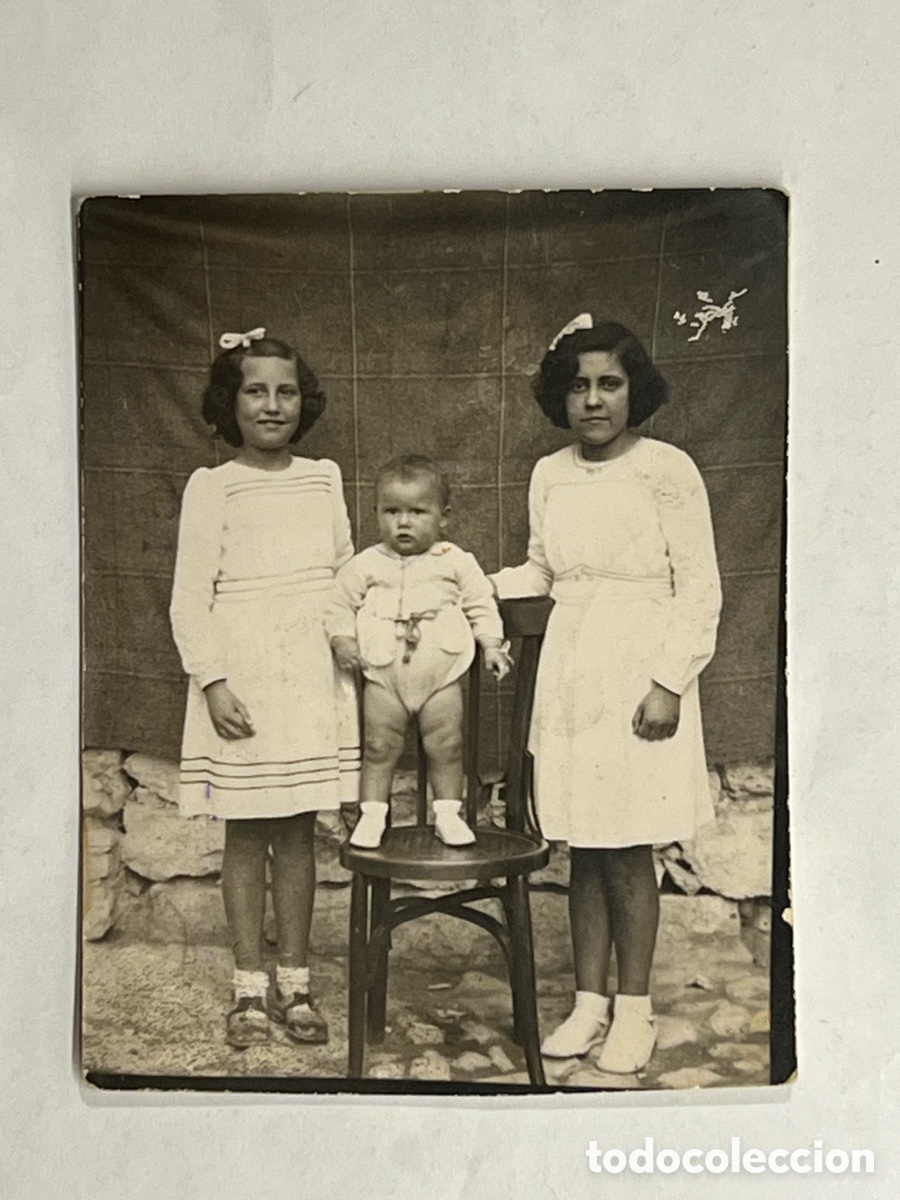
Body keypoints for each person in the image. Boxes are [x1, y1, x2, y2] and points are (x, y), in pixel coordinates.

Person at [492, 314, 721, 1074]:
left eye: (609, 384)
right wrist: (462, 585)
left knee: (627, 851)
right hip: (572, 671)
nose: (593, 400)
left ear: (634, 391)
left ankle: (635, 1010)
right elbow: (540, 575)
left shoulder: (668, 469)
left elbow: (701, 590)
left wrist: (668, 681)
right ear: (561, 396)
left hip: (640, 672)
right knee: (585, 848)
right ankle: (589, 1003)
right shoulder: (549, 474)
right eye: (579, 385)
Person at [169, 327, 359, 1050]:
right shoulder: (212, 486)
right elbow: (190, 597)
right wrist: (213, 682)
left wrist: (354, 641)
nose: (272, 405)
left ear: (301, 402)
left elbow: (344, 574)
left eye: (285, 391)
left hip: (309, 674)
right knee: (246, 834)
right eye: (255, 391)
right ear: (231, 401)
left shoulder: (324, 476)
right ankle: (249, 988)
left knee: (299, 832)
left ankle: (297, 983)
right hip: (243, 674)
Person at [325, 455, 512, 849]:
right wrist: (343, 640)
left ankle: (448, 814)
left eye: (417, 511)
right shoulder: (365, 565)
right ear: (376, 513)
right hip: (382, 675)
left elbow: (480, 602)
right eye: (391, 511)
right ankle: (372, 815)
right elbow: (338, 605)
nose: (403, 522)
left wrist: (491, 644)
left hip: (440, 677)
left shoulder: (455, 561)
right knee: (378, 747)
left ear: (442, 517)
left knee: (446, 744)